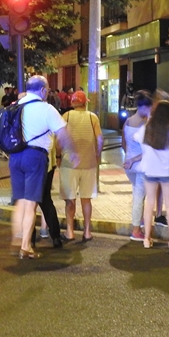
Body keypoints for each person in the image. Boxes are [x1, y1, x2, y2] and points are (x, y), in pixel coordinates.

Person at [9, 75, 80, 259]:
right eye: (47, 90)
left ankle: (19, 238)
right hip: (35, 157)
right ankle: (26, 247)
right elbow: (63, 135)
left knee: (21, 202)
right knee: (32, 203)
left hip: (14, 156)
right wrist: (73, 152)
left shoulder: (14, 107)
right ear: (42, 90)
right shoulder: (46, 109)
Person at [136, 100, 169, 249]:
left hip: (150, 170)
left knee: (149, 203)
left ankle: (147, 239)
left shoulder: (146, 129)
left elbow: (135, 139)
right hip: (167, 171)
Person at [59, 90, 103, 242]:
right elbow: (100, 140)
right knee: (86, 199)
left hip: (69, 164)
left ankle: (70, 232)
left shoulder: (66, 116)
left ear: (72, 103)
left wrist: (59, 156)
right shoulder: (93, 117)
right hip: (88, 164)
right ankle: (87, 232)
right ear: (85, 103)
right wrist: (97, 156)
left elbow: (60, 139)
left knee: (70, 199)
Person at [122, 90, 153, 241]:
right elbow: (148, 149)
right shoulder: (145, 124)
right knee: (139, 196)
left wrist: (129, 159)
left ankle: (139, 219)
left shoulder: (127, 122)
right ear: (143, 107)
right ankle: (136, 230)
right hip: (140, 164)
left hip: (128, 165)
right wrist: (135, 159)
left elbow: (124, 143)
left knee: (137, 193)